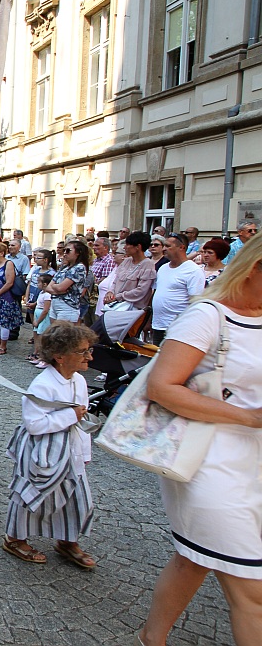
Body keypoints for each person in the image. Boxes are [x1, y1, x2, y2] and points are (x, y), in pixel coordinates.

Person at [137, 238, 262, 646]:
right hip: (207, 460)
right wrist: (247, 417)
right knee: (252, 592)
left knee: (195, 559)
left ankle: (151, 638)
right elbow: (162, 387)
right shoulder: (207, 316)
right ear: (255, 267)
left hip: (251, 461)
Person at [3, 321, 98, 568]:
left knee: (79, 497)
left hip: (71, 448)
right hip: (43, 450)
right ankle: (15, 538)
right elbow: (34, 424)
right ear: (60, 356)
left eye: (88, 350)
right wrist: (70, 416)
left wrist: (84, 452)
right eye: (82, 351)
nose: (89, 356)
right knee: (31, 495)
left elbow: (83, 418)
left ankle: (67, 539)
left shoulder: (79, 381)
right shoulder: (43, 385)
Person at [150, 232, 205, 344]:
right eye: (164, 246)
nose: (164, 249)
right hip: (158, 325)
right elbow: (156, 292)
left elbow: (195, 302)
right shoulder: (163, 268)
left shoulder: (193, 271)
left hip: (177, 327)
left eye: (168, 246)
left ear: (182, 247)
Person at [103, 231, 155, 310]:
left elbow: (141, 291)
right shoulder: (126, 261)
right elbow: (116, 281)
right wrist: (110, 292)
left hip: (132, 308)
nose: (124, 248)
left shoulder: (148, 264)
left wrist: (118, 297)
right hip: (116, 305)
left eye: (127, 245)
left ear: (138, 247)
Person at [43, 240, 90, 323]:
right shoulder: (64, 267)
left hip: (67, 306)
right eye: (64, 250)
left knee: (64, 334)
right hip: (55, 303)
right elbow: (48, 287)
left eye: (68, 251)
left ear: (78, 252)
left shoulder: (79, 267)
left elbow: (61, 287)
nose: (65, 253)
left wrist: (57, 287)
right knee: (54, 333)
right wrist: (57, 288)